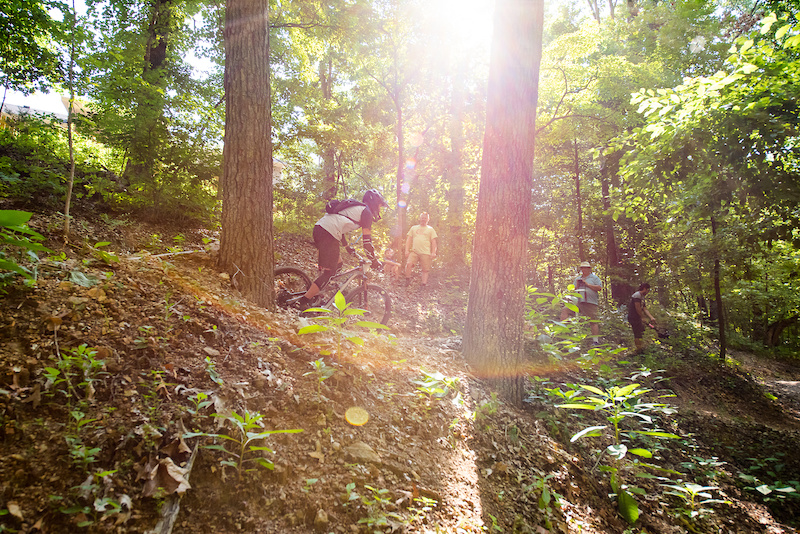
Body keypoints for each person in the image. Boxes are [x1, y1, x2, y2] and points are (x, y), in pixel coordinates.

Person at [295, 189, 389, 309]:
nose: (380, 209)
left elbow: (341, 227)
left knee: (338, 265)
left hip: (322, 229)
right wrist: (374, 261)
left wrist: (347, 247)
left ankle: (316, 294)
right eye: (380, 206)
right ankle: (303, 301)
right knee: (330, 273)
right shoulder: (366, 212)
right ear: (375, 203)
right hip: (328, 233)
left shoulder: (357, 209)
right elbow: (367, 242)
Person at [559, 261, 603, 344]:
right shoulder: (577, 279)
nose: (584, 269)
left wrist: (587, 284)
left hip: (590, 302)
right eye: (582, 268)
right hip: (578, 302)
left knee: (593, 321)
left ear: (589, 269)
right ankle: (565, 335)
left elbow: (599, 288)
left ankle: (595, 341)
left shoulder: (594, 278)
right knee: (565, 310)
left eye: (586, 268)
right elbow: (573, 290)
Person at [404, 212, 438, 286]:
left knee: (425, 269)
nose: (423, 219)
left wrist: (433, 252)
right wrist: (406, 250)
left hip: (426, 252)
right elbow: (409, 239)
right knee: (409, 264)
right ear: (420, 218)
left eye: (425, 218)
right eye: (422, 218)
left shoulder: (430, 229)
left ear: (428, 219)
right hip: (414, 251)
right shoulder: (414, 228)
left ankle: (423, 285)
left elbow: (434, 242)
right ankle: (407, 279)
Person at [628, 282, 656, 351]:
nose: (648, 292)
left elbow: (644, 308)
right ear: (644, 289)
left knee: (641, 331)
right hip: (633, 317)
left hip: (637, 318)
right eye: (648, 290)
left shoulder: (642, 297)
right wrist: (642, 317)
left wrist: (651, 317)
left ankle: (640, 347)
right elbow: (638, 308)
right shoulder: (637, 295)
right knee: (637, 333)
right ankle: (639, 349)